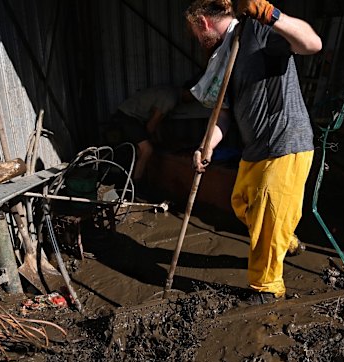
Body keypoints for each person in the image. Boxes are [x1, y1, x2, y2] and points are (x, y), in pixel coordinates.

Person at [186, 0, 322, 303]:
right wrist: (205, 146)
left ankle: (268, 288)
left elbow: (312, 43)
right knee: (241, 203)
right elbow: (223, 113)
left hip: (285, 142)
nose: (195, 38)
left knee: (265, 220)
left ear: (203, 22)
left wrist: (273, 16)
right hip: (256, 148)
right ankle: (284, 240)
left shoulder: (259, 32)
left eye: (193, 30)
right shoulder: (225, 55)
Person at [111, 85, 192, 193]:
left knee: (143, 150)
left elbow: (157, 122)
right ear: (187, 92)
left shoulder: (170, 93)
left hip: (129, 116)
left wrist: (159, 140)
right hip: (127, 117)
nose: (193, 100)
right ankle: (136, 187)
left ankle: (132, 181)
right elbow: (151, 125)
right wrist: (151, 141)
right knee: (147, 150)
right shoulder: (170, 99)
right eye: (193, 97)